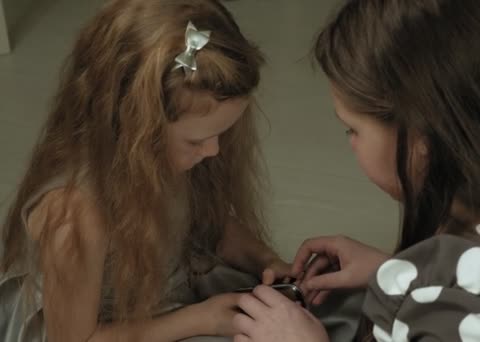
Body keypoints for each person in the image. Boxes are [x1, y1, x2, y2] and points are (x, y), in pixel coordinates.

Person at [235, 0, 480, 341]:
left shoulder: (461, 303)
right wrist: (398, 273)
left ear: (421, 138)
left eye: (352, 129)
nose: (350, 143)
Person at [0, 0, 292, 340]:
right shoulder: (76, 215)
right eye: (196, 141)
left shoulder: (166, 154)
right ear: (136, 132)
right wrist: (202, 320)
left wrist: (267, 260)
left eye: (221, 134)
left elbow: (209, 224)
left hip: (167, 296)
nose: (214, 151)